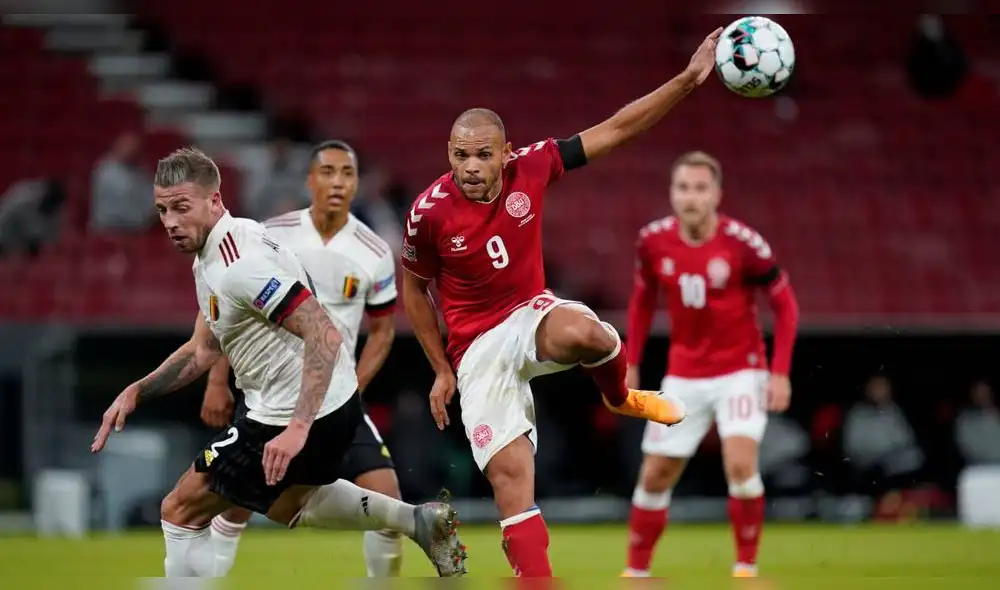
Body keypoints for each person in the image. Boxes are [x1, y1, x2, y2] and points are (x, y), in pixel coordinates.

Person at [399, 28, 724, 577]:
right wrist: (439, 369)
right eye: (461, 156)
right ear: (448, 154)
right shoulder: (428, 214)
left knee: (590, 335)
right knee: (510, 482)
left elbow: (619, 127)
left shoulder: (535, 164)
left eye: (483, 154)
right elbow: (413, 288)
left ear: (506, 152)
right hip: (475, 347)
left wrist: (689, 81)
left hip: (529, 314)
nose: (472, 167)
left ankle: (620, 397)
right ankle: (535, 576)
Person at [91, 147, 467, 578]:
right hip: (326, 402)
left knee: (179, 509)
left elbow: (323, 332)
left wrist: (298, 429)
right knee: (290, 502)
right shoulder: (223, 248)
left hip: (295, 411)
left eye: (181, 207)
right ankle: (417, 521)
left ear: (214, 201)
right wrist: (137, 390)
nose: (171, 222)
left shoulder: (240, 266)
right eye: (162, 210)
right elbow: (203, 349)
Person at [199, 140, 410, 577]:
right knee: (234, 503)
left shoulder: (374, 251)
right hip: (271, 397)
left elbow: (384, 331)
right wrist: (217, 381)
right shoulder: (268, 234)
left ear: (356, 184)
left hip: (334, 398)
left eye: (347, 174)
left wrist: (355, 388)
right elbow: (225, 309)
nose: (337, 182)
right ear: (309, 181)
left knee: (389, 502)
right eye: (327, 172)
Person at [621, 151, 800, 579]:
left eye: (701, 188)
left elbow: (786, 306)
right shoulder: (652, 241)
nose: (691, 197)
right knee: (656, 473)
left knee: (739, 463)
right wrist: (631, 362)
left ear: (717, 194)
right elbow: (642, 302)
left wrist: (779, 372)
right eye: (683, 187)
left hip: (741, 369)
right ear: (671, 193)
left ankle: (746, 567)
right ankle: (637, 572)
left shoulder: (744, 244)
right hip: (684, 373)